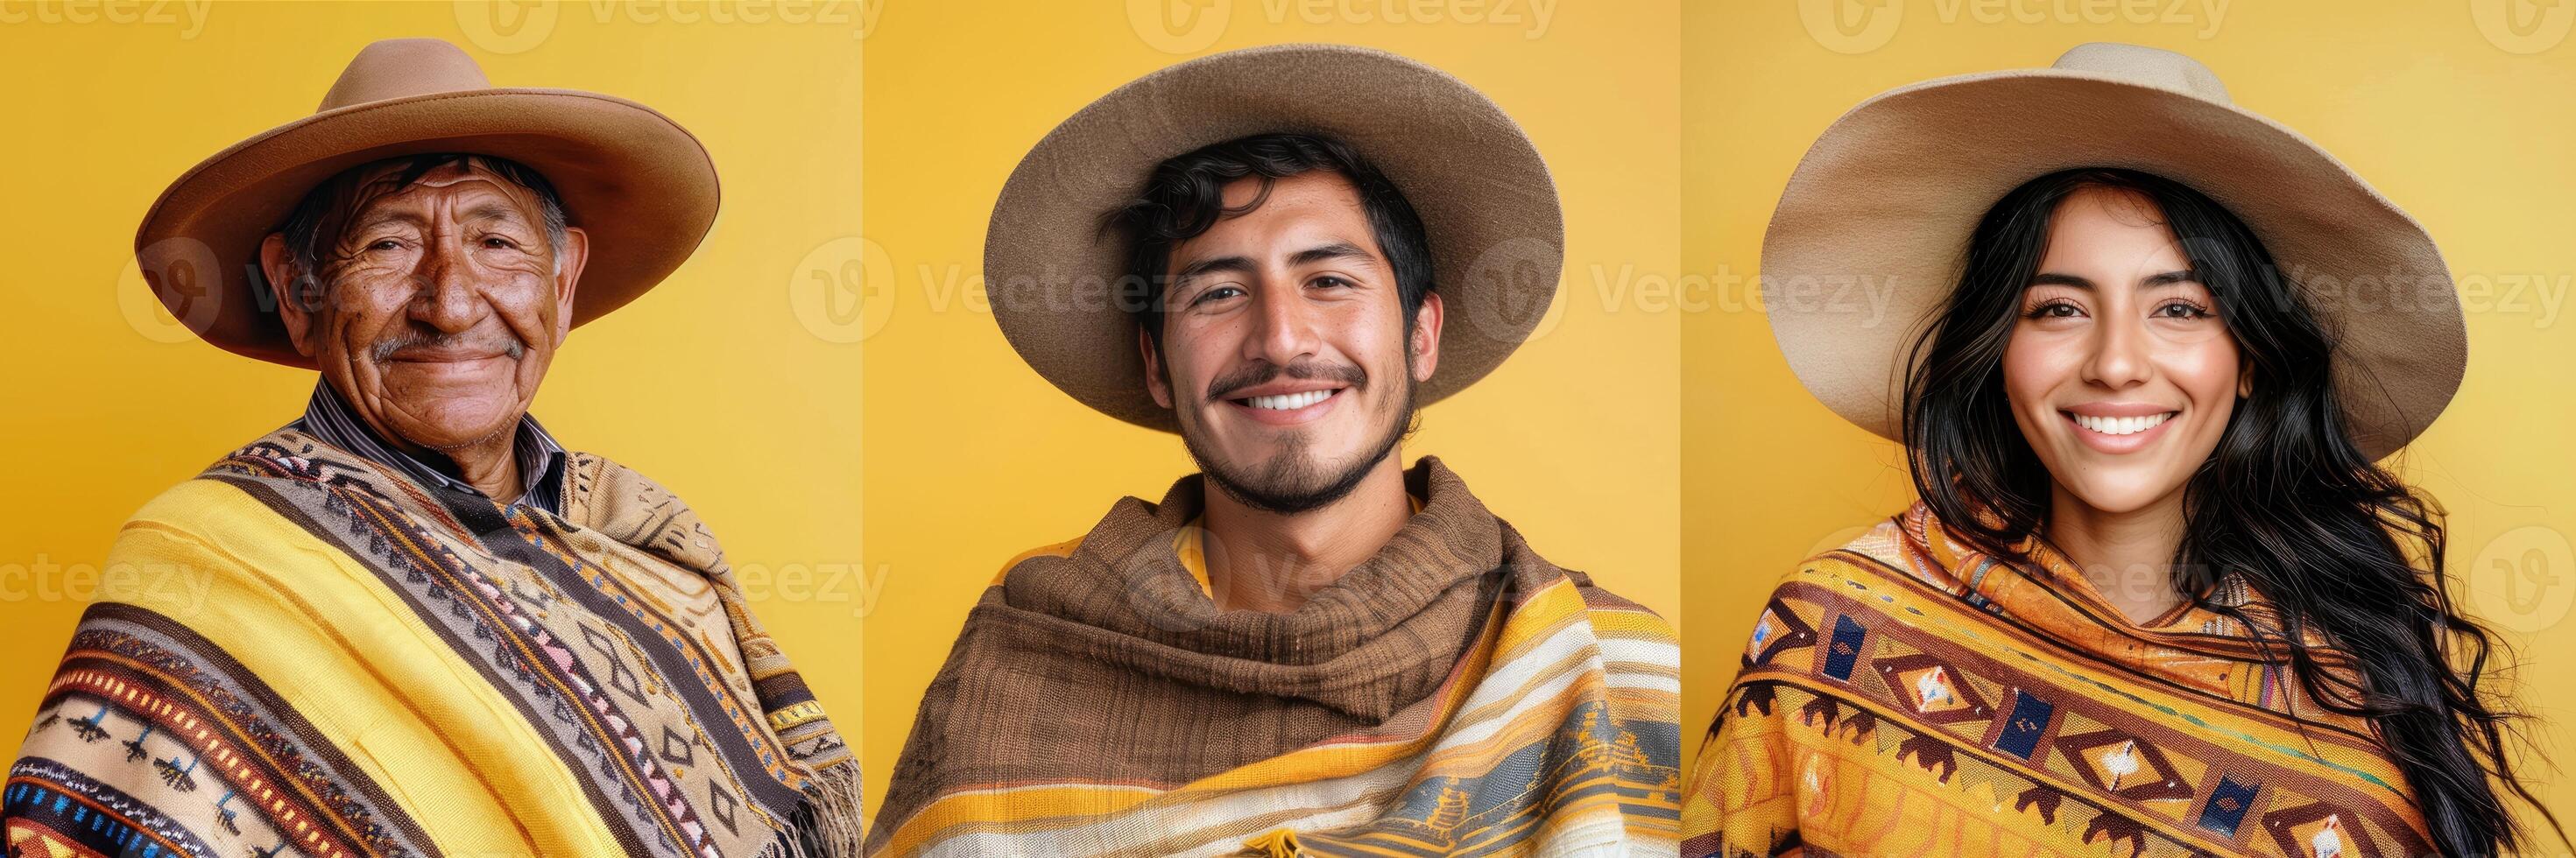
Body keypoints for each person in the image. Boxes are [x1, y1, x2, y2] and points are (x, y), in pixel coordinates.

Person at [1683, 43, 2567, 858]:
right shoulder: (1834, 630)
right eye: (2058, 307)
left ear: (2250, 357)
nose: (2113, 363)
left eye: (2178, 308)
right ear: (1998, 350)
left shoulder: (2350, 718)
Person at [3, 39, 860, 858]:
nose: (450, 303)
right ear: (299, 292)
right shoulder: (201, 561)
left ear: (562, 286)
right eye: (389, 244)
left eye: (496, 243)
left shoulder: (652, 537)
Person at [869, 45, 1682, 856]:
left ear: (1421, 333)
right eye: (1218, 293)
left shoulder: (1604, 669)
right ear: (1156, 364)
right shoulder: (1019, 665)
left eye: (1328, 280)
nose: (1281, 338)